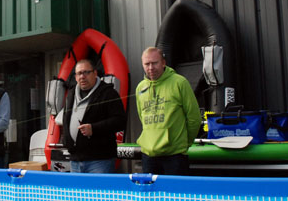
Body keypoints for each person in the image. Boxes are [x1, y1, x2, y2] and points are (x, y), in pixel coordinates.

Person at [136, 47, 201, 175]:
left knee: (176, 194)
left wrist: (184, 144)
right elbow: (141, 117)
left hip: (174, 156)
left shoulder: (179, 83)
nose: (151, 68)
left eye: (155, 63)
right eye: (147, 64)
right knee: (151, 195)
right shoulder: (140, 87)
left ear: (163, 63)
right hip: (148, 155)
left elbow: (194, 118)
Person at [59, 59, 126, 173]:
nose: (82, 76)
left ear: (95, 73)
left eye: (86, 72)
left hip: (100, 161)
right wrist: (67, 141)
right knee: (77, 192)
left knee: (99, 191)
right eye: (79, 73)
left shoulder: (108, 93)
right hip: (75, 159)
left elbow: (120, 121)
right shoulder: (71, 94)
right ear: (75, 77)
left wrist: (94, 128)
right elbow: (66, 120)